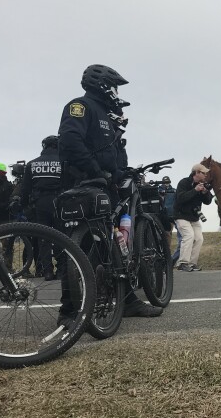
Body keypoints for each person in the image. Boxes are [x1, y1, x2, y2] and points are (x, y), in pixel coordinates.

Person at [58, 64, 162, 318]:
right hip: (85, 184)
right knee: (78, 247)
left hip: (108, 186)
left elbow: (111, 153)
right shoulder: (80, 107)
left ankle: (126, 300)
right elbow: (70, 140)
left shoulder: (106, 114)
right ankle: (70, 309)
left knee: (115, 244)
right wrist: (95, 171)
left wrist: (120, 173)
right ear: (103, 85)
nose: (115, 92)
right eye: (113, 86)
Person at [21, 135, 63, 280]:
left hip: (40, 203)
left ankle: (47, 271)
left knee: (43, 238)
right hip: (60, 202)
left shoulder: (32, 164)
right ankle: (62, 269)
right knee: (61, 236)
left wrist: (25, 207)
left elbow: (25, 189)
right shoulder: (63, 162)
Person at [172, 163, 213, 272]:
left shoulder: (202, 184)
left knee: (199, 238)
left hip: (194, 217)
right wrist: (195, 190)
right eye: (204, 173)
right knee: (189, 236)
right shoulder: (184, 182)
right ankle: (182, 263)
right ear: (197, 173)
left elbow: (208, 201)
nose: (205, 176)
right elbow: (180, 198)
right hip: (181, 215)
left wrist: (205, 192)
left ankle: (192, 263)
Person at [158, 175, 182, 264]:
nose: (166, 184)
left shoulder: (174, 191)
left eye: (167, 182)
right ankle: (165, 253)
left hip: (172, 215)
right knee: (165, 234)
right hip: (163, 216)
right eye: (164, 182)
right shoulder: (158, 191)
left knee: (169, 234)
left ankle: (168, 254)